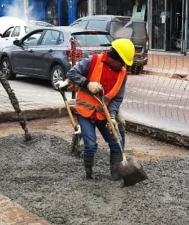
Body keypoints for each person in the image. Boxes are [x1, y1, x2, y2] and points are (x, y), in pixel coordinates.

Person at [58, 39, 135, 181]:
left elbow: (117, 99)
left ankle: (116, 175)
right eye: (122, 62)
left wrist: (112, 116)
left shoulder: (122, 73)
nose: (124, 66)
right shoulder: (93, 61)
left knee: (116, 143)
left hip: (104, 114)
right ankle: (89, 174)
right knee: (91, 145)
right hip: (85, 113)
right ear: (114, 57)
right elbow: (71, 74)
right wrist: (87, 83)